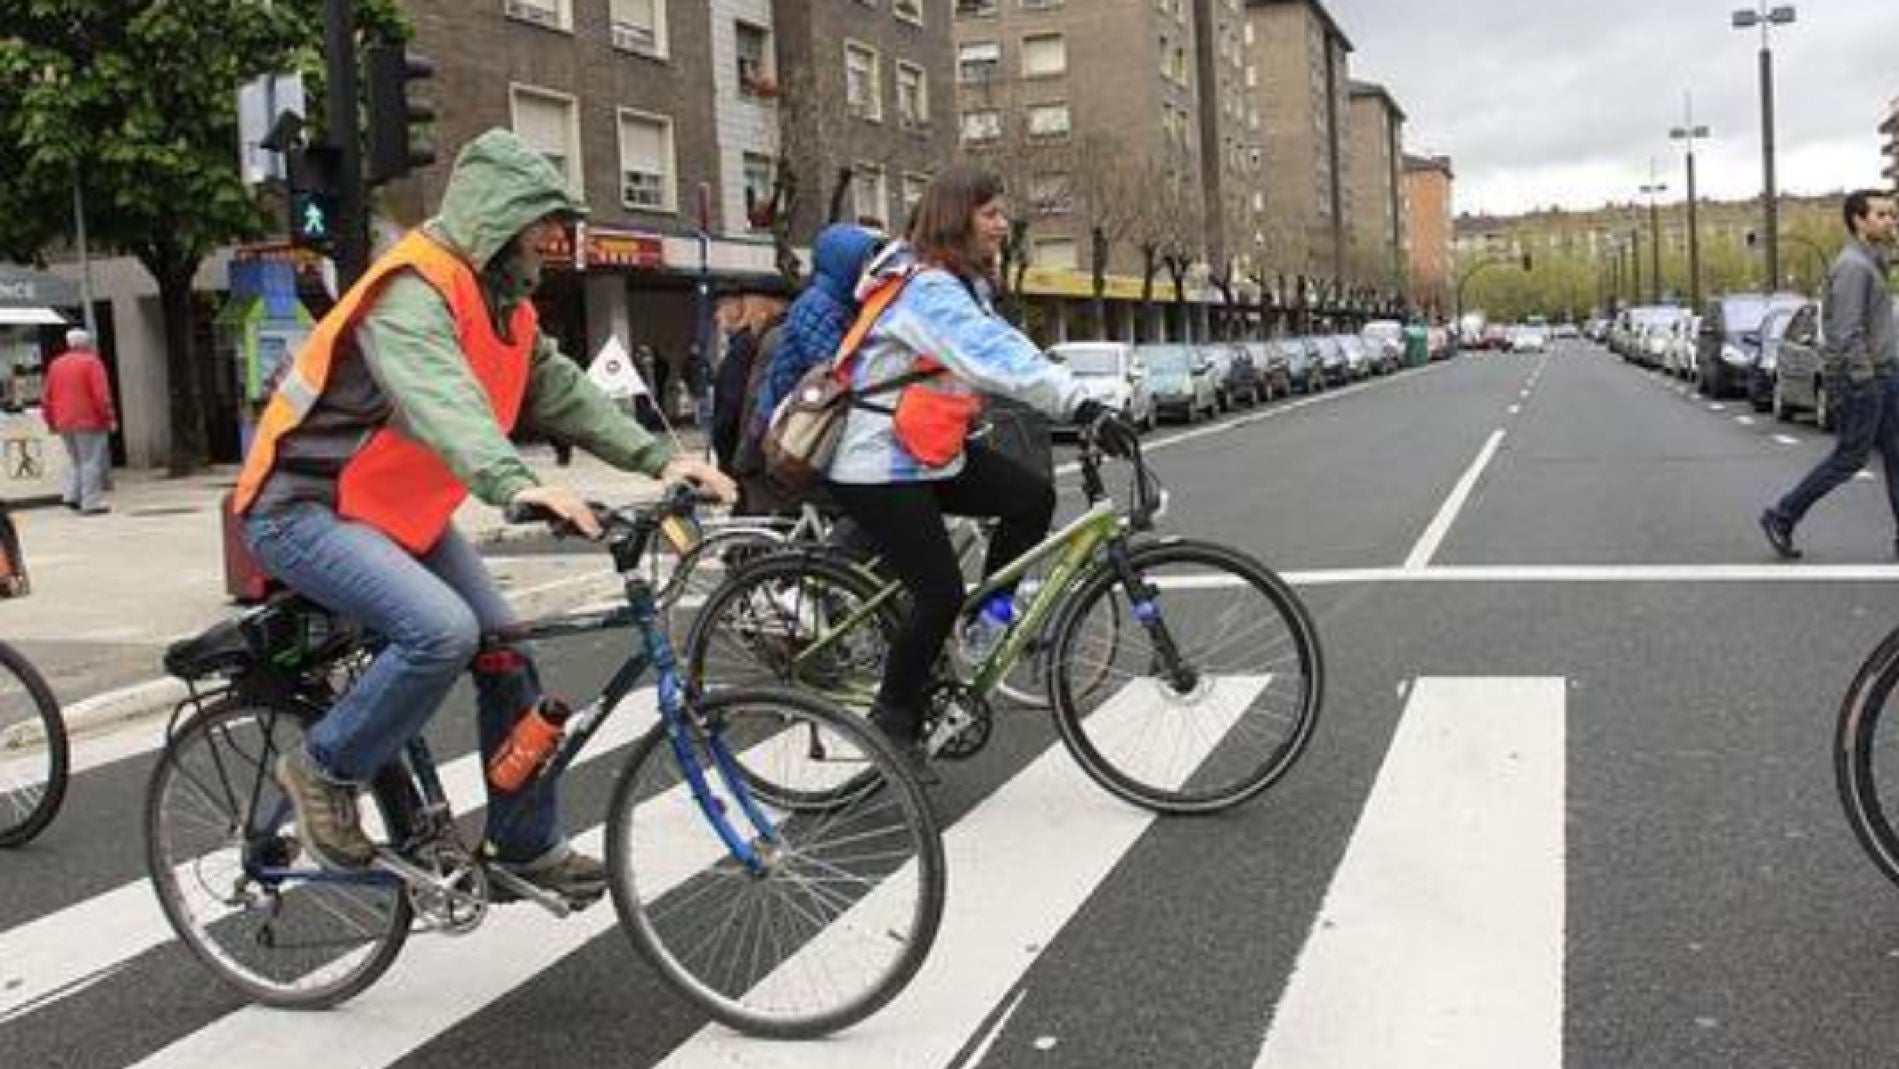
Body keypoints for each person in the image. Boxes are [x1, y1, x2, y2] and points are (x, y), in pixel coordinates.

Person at [233, 129, 734, 897]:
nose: (548, 237)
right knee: (440, 631)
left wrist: (659, 459)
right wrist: (512, 482)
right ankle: (323, 767)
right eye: (538, 221)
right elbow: (441, 395)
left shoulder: (508, 309)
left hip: (396, 518)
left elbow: (562, 391)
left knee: (506, 646)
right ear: (495, 217)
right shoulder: (413, 289)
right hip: (302, 509)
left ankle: (523, 844)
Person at [822, 164, 1137, 777]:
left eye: (1002, 213)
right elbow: (989, 356)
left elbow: (1012, 349)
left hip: (927, 454)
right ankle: (892, 720)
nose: (1002, 225)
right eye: (990, 213)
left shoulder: (964, 287)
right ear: (955, 217)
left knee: (1030, 498)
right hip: (877, 462)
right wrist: (1080, 403)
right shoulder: (926, 290)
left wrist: (1080, 397)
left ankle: (982, 625)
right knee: (936, 590)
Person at [1760, 189, 1898, 560]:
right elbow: (1846, 330)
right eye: (1883, 215)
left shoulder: (1872, 262)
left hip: (1885, 374)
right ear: (1859, 220)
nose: (1891, 221)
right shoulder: (1853, 267)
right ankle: (1782, 514)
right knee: (1849, 458)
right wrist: (1864, 378)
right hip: (1866, 380)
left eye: (1893, 215)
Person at [40, 328, 117, 515]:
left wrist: (50, 421)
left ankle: (71, 496)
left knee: (75, 460)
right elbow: (101, 395)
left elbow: (46, 397)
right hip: (89, 420)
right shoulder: (92, 363)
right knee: (90, 461)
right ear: (86, 344)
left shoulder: (55, 365)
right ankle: (90, 503)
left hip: (63, 421)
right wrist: (109, 418)